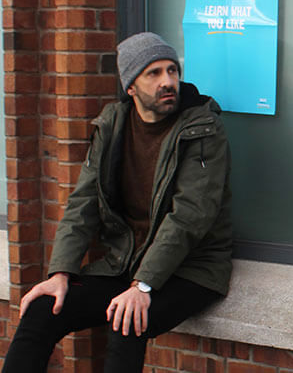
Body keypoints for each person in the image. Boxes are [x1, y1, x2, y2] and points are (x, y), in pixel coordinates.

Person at [3, 32, 233, 373]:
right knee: (44, 308)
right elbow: (83, 202)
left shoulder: (202, 128)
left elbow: (190, 216)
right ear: (131, 87)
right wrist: (60, 272)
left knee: (126, 320)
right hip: (124, 264)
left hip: (190, 269)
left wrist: (143, 285)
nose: (168, 81)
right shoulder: (113, 124)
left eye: (172, 70)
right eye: (153, 74)